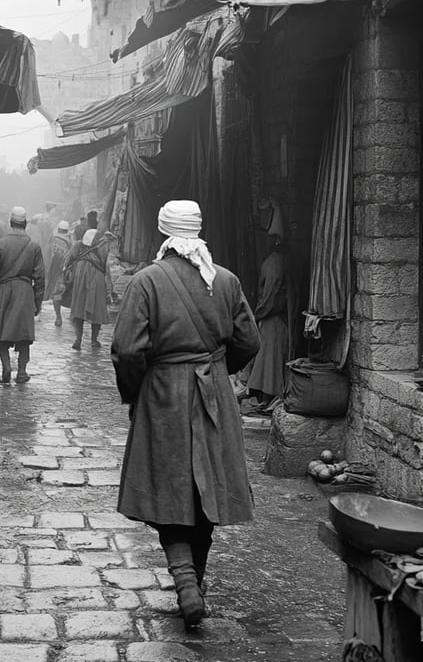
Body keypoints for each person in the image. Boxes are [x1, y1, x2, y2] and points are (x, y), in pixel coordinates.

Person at [111, 200, 260, 628]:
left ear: (164, 233)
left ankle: (185, 582)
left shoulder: (147, 282)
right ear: (198, 230)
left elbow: (126, 350)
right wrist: (216, 371)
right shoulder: (226, 281)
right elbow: (249, 341)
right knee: (205, 490)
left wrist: (135, 392)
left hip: (164, 396)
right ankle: (196, 580)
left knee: (168, 488)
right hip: (214, 394)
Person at [0, 206, 45, 385]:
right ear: (25, 223)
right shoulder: (34, 247)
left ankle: (6, 367)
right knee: (23, 334)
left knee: (1, 331)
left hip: (3, 291)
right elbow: (39, 277)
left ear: (10, 223)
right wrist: (38, 302)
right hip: (25, 292)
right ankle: (22, 372)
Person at [246, 203, 289, 411]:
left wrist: (258, 315)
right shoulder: (277, 261)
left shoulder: (272, 263)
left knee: (270, 360)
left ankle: (268, 396)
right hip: (274, 317)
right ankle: (265, 395)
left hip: (273, 318)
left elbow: (270, 295)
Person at [65, 210, 109, 350]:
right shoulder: (101, 246)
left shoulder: (78, 246)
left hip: (79, 277)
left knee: (78, 306)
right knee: (97, 308)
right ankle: (94, 340)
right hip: (97, 277)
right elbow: (105, 263)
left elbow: (68, 260)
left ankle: (78, 338)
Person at [45, 220, 72, 327]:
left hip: (54, 271)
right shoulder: (70, 241)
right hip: (65, 272)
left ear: (59, 229)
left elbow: (48, 254)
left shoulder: (53, 239)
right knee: (64, 293)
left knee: (56, 295)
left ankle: (58, 317)